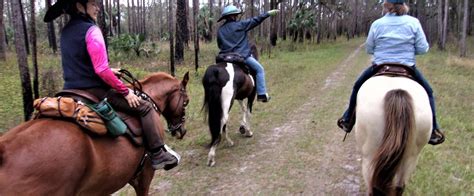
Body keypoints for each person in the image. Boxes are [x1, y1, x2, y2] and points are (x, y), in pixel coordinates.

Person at [44, 0, 180, 170]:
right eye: (93, 4)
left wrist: (110, 70)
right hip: (95, 91)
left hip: (69, 90)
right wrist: (125, 92)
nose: (98, 8)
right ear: (79, 5)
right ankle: (158, 154)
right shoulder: (91, 30)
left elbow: (81, 62)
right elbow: (100, 70)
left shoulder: (66, 32)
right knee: (145, 107)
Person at [337, 0, 445, 145]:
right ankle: (433, 130)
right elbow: (423, 48)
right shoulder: (414, 22)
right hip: (407, 68)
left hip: (380, 66)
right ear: (404, 5)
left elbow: (369, 48)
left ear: (386, 6)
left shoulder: (377, 24)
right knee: (429, 92)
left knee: (357, 86)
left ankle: (348, 119)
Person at [216, 5, 279, 102]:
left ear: (225, 17)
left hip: (224, 57)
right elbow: (256, 20)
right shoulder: (241, 25)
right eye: (236, 15)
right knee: (259, 69)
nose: (236, 17)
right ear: (234, 16)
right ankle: (262, 94)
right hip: (242, 56)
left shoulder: (220, 30)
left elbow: (220, 45)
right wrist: (267, 14)